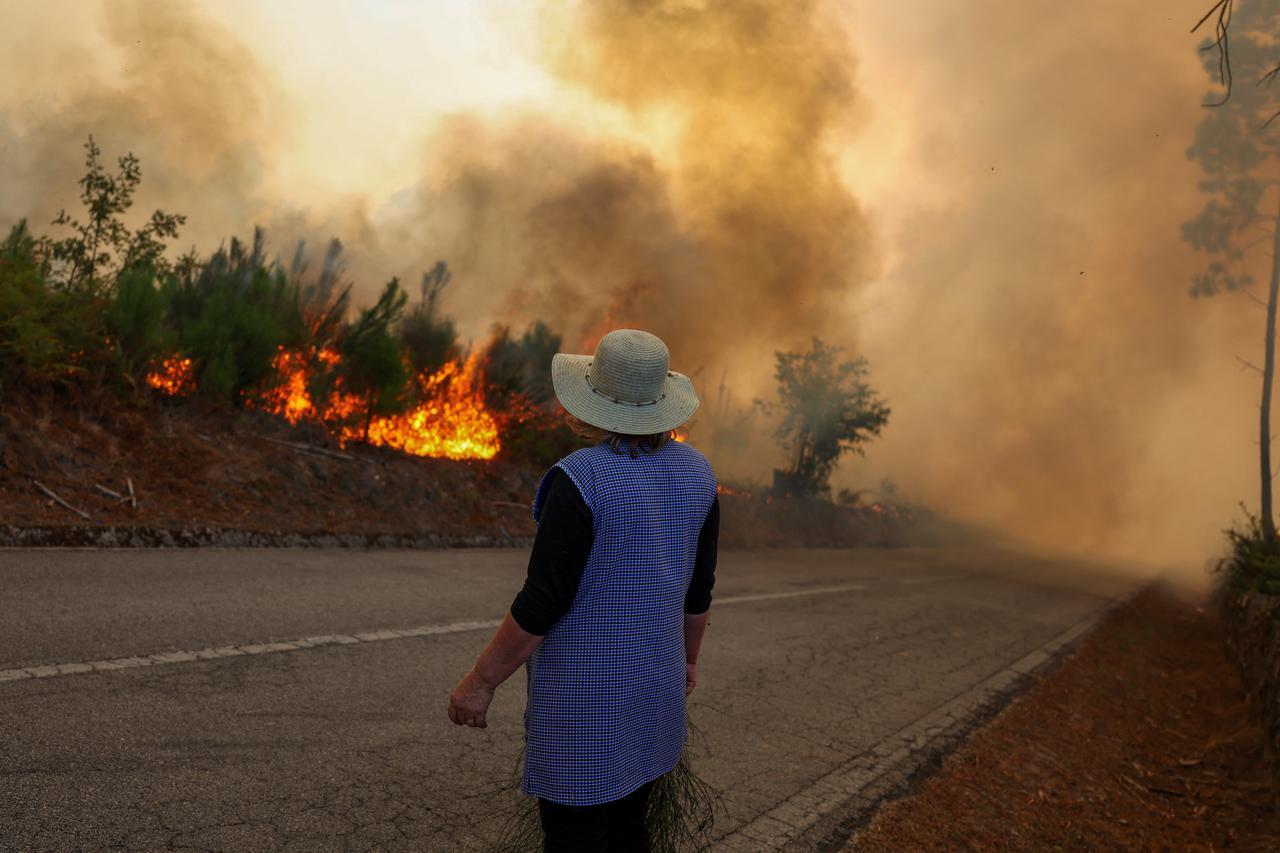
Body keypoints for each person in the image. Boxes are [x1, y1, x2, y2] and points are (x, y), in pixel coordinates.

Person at [447, 328, 720, 852]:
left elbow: (542, 603)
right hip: (655, 687)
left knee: (576, 837)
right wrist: (687, 661)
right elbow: (698, 589)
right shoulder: (698, 473)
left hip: (584, 705)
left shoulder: (581, 479)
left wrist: (481, 682)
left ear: (593, 402)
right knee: (629, 830)